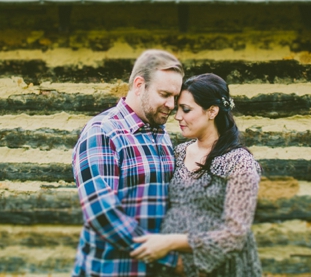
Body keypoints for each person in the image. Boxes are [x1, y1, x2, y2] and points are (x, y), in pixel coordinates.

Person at [131, 73, 263, 277]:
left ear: (212, 111)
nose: (177, 116)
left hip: (220, 269)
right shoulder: (178, 152)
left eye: (186, 109)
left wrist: (170, 242)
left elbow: (235, 235)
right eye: (178, 109)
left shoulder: (239, 162)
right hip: (172, 266)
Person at [71, 49, 185, 277]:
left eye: (175, 97)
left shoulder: (161, 134)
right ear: (139, 85)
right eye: (164, 94)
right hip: (113, 269)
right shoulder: (102, 131)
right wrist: (169, 257)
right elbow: (102, 213)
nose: (171, 105)